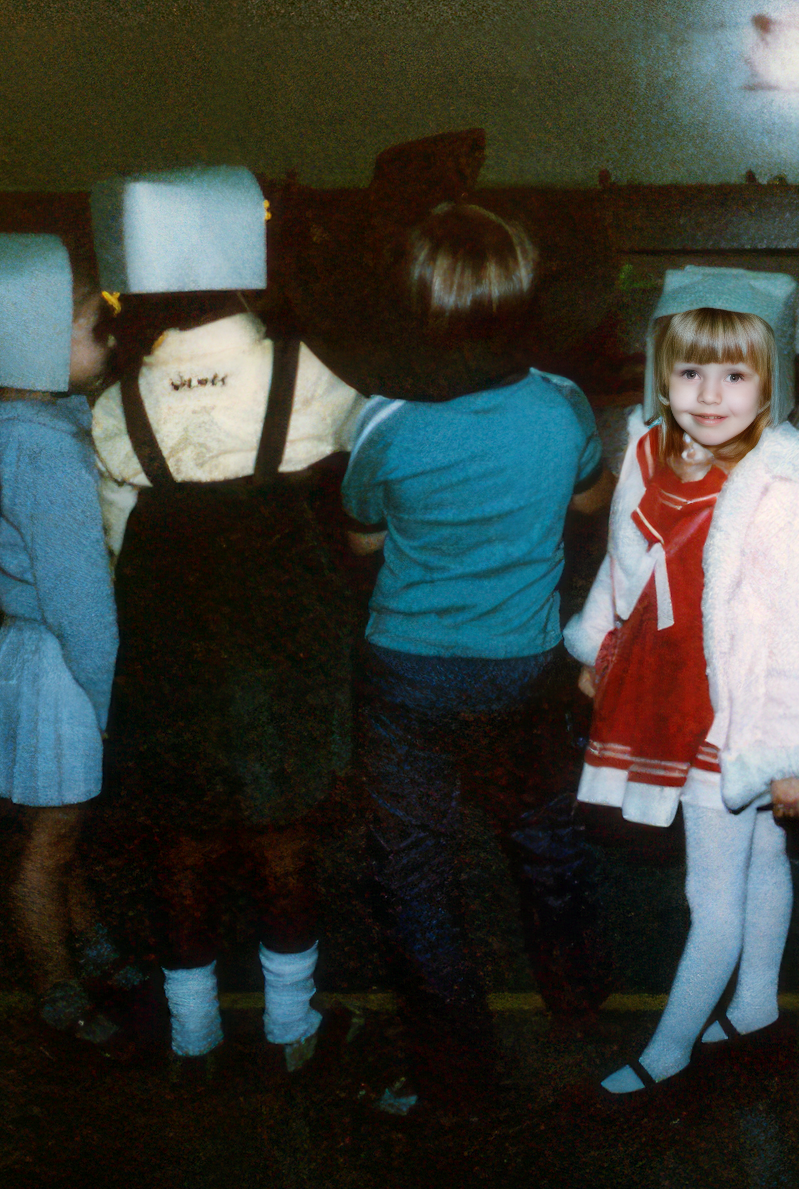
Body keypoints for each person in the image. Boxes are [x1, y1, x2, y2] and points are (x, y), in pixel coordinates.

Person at [89, 165, 363, 1079]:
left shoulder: (116, 408)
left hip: (169, 652)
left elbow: (118, 546)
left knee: (181, 847)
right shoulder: (314, 374)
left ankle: (192, 1036)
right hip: (285, 644)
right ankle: (292, 1030)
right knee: (286, 840)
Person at [567, 267, 799, 1096]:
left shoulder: (789, 488)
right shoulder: (649, 451)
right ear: (659, 369)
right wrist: (601, 646)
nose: (708, 394)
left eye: (736, 374)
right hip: (665, 691)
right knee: (760, 861)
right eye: (689, 370)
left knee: (712, 897)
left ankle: (668, 1053)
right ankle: (758, 1009)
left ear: (771, 378)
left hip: (733, 714)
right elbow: (627, 566)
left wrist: (796, 753)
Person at [344, 202, 613, 1114]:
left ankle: (456, 1071)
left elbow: (361, 537)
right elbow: (588, 506)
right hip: (523, 669)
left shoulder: (383, 419)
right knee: (543, 837)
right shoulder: (561, 405)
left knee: (414, 872)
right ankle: (580, 1007)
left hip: (408, 672)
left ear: (416, 297)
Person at [0, 231, 126, 1044]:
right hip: (64, 660)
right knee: (49, 842)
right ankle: (56, 987)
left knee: (60, 826)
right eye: (92, 321)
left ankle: (94, 945)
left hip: (31, 649)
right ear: (39, 344)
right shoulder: (41, 450)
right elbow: (82, 600)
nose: (108, 334)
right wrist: (113, 697)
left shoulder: (13, 422)